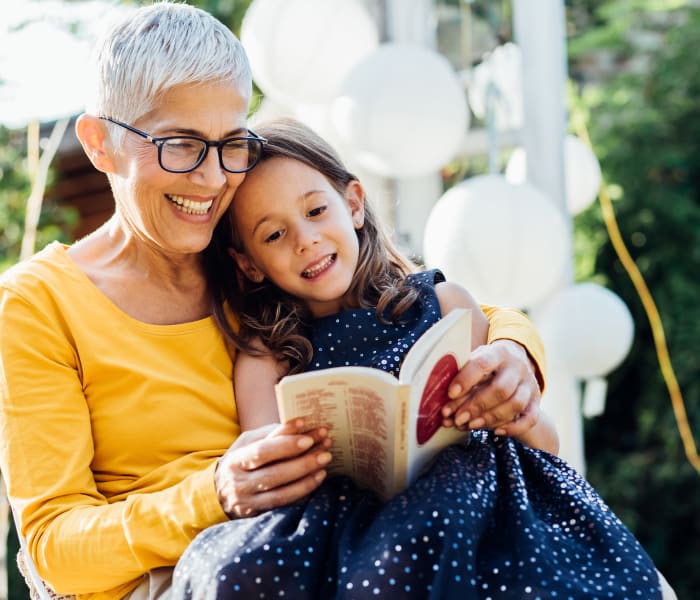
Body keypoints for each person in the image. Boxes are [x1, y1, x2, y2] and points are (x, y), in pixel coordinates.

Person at [0, 3, 557, 598]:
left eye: (231, 143)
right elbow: (55, 547)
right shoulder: (36, 303)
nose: (213, 180)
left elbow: (425, 303)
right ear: (100, 144)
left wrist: (515, 352)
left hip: (328, 554)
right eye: (182, 146)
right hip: (191, 576)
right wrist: (214, 494)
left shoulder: (264, 261)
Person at [169, 119, 667, 599]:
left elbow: (541, 447)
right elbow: (267, 479)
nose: (306, 239)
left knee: (435, 523)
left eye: (316, 211)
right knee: (239, 573)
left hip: (466, 501)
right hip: (343, 522)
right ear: (248, 263)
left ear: (354, 204)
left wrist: (517, 412)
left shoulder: (445, 304)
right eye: (273, 235)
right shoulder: (266, 357)